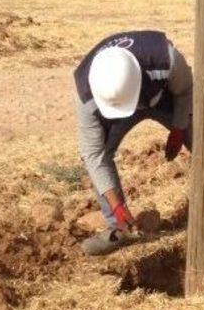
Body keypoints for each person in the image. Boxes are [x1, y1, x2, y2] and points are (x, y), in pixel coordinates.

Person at [74, 30, 193, 255]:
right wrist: (116, 206)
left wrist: (179, 127)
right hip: (113, 113)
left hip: (163, 96)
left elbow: (186, 90)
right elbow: (94, 155)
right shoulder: (86, 92)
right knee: (99, 157)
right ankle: (120, 225)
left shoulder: (165, 59)